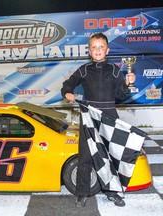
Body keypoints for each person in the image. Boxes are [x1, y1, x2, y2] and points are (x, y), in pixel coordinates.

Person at [61, 32, 135, 207]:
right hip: (89, 117)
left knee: (110, 158)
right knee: (85, 158)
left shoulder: (115, 70)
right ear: (89, 51)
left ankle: (112, 192)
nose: (98, 50)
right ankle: (81, 193)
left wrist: (126, 84)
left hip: (110, 117)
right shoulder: (84, 69)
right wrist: (67, 93)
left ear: (107, 50)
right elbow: (67, 84)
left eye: (101, 47)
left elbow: (120, 95)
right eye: (94, 47)